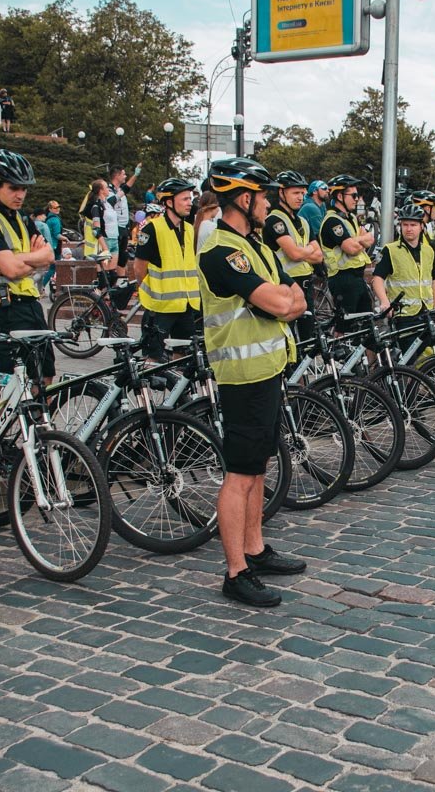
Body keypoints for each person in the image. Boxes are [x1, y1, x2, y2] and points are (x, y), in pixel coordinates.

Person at [197, 157, 307, 607]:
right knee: (239, 474)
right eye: (262, 197)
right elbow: (281, 304)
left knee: (259, 466)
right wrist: (283, 301)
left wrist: (285, 300)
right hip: (240, 375)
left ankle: (255, 549)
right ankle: (235, 570)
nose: (267, 204)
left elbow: (293, 295)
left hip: (267, 369)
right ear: (244, 198)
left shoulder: (256, 246)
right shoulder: (222, 251)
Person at [0, 150, 55, 386]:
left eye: (24, 188)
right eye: (13, 188)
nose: (20, 195)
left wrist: (23, 260)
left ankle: (36, 423)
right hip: (3, 306)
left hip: (31, 304)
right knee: (7, 383)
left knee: (45, 377)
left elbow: (49, 256)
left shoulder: (22, 218)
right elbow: (12, 270)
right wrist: (34, 260)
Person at [133, 177, 200, 360]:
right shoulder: (152, 229)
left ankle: (179, 388)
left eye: (190, 199)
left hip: (185, 304)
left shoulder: (189, 228)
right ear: (169, 202)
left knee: (184, 355)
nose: (189, 203)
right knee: (152, 356)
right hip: (160, 306)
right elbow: (139, 267)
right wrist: (149, 291)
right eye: (185, 199)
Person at [264, 170, 323, 341]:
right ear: (281, 192)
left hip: (306, 284)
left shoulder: (303, 221)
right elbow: (294, 254)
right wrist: (305, 250)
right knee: (286, 338)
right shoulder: (274, 220)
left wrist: (300, 251)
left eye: (303, 193)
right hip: (286, 285)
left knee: (308, 337)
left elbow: (319, 256)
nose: (300, 197)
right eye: (295, 193)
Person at [372, 204, 435, 350]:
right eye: (405, 225)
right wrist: (385, 302)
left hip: (427, 313)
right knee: (409, 361)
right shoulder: (391, 250)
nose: (409, 229)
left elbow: (434, 280)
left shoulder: (429, 251)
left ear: (422, 226)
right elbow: (377, 278)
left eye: (413, 225)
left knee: (430, 358)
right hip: (404, 315)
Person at [319, 174, 375, 317]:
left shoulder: (350, 218)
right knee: (345, 326)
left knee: (366, 319)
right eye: (354, 195)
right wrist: (361, 239)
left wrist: (359, 240)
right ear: (339, 196)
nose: (357, 199)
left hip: (357, 277)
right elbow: (352, 249)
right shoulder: (333, 221)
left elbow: (370, 239)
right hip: (342, 279)